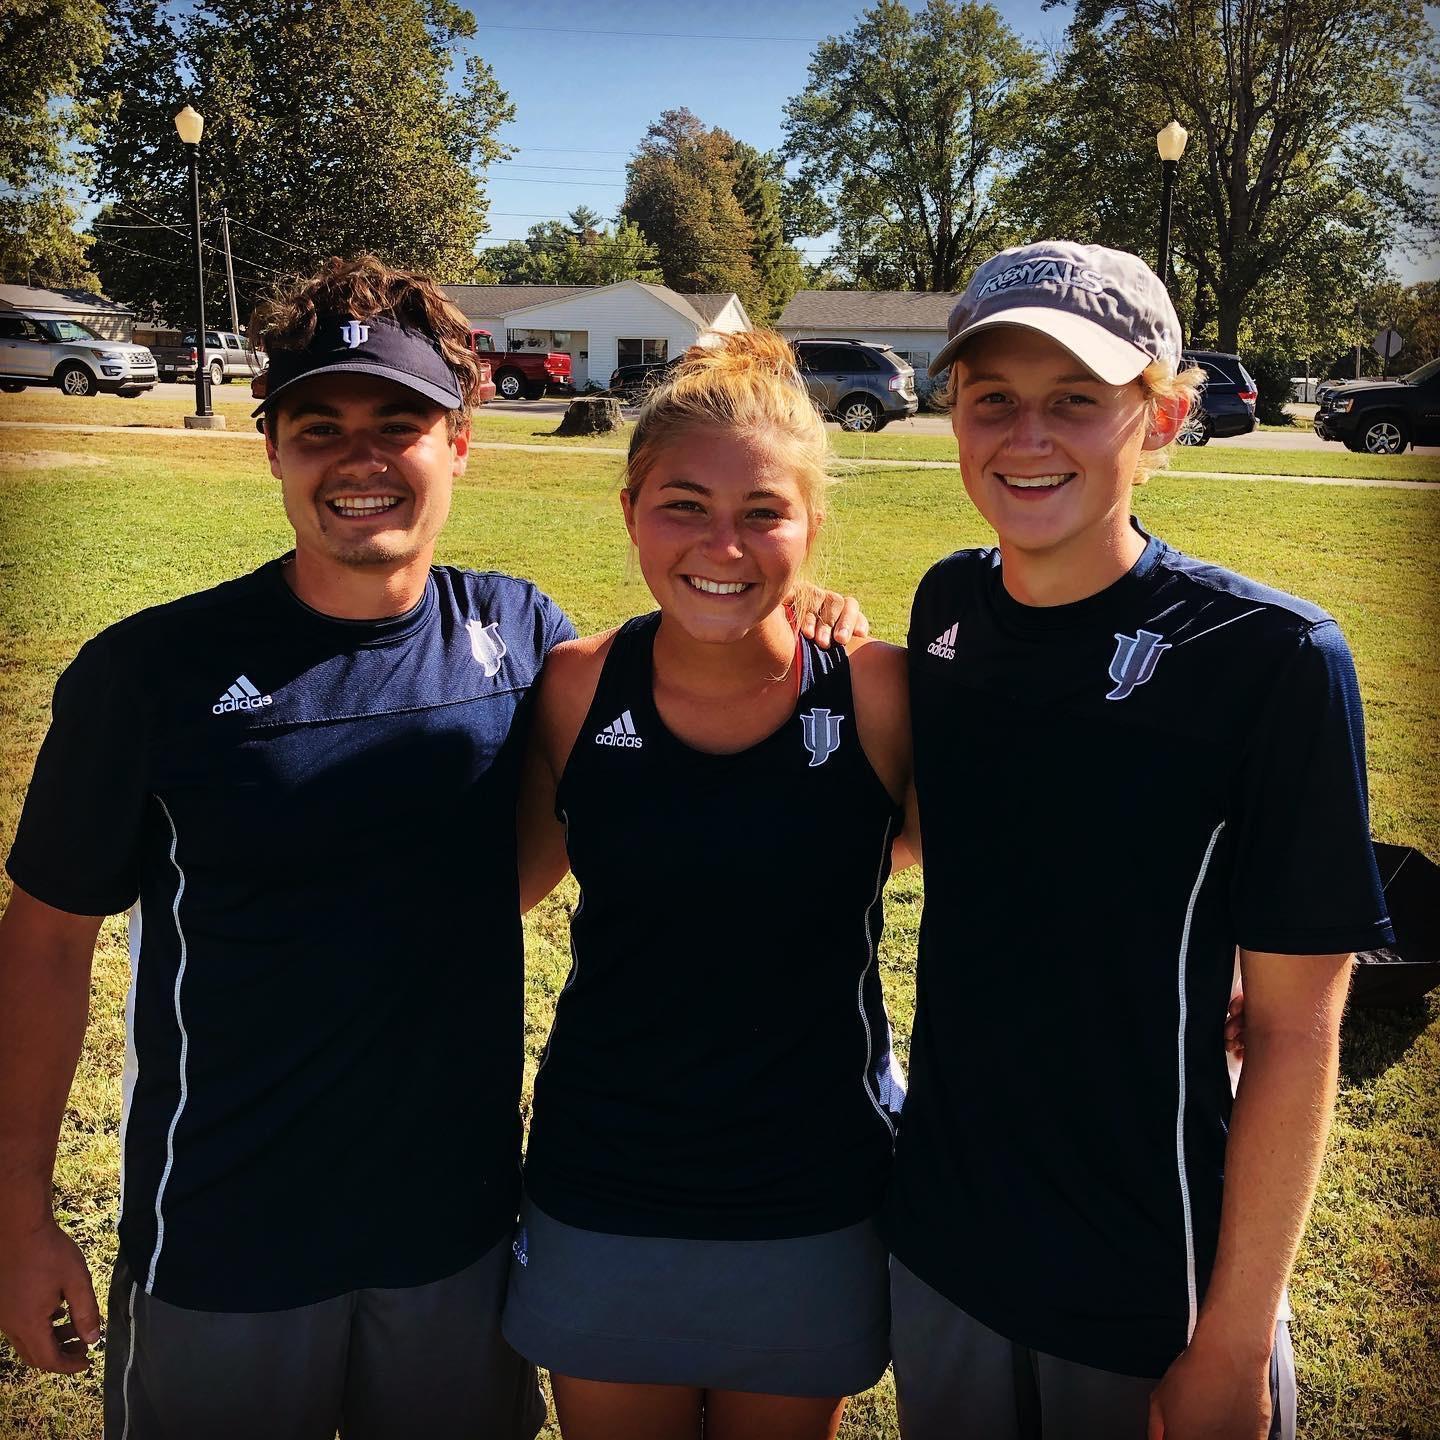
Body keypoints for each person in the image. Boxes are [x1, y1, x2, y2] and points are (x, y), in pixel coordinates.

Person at [0, 254, 865, 1439]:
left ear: (458, 443)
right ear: (272, 448)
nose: (360, 459)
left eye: (398, 425)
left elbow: (659, 728)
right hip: (222, 1239)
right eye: (319, 427)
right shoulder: (151, 672)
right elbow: (45, 947)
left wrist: (808, 606)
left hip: (456, 1248)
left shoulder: (524, 644)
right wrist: (17, 1213)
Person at [884, 241, 1393, 1440]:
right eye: (992, 399)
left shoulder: (1272, 660)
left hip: (1150, 1280)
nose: (1027, 437)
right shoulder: (946, 606)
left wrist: (1228, 1344)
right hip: (946, 1249)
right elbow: (919, 824)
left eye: (1077, 400)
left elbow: (1294, 1027)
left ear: (1164, 415)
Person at [502, 329, 916, 1440]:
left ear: (813, 526)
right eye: (684, 505)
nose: (721, 544)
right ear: (630, 509)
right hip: (605, 1179)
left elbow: (1007, 869)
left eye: (763, 513)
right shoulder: (576, 687)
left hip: (814, 1189)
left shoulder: (881, 695)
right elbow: (495, 891)